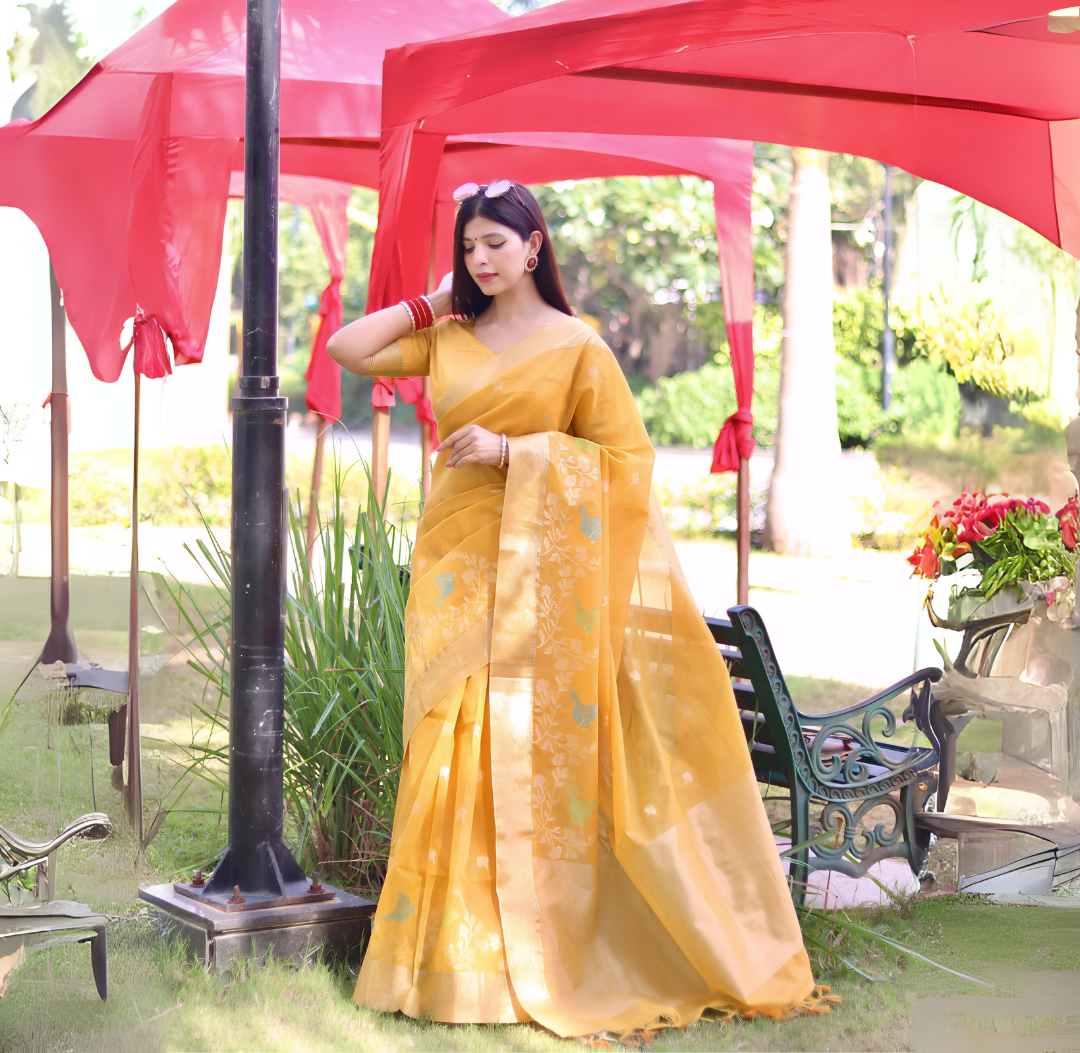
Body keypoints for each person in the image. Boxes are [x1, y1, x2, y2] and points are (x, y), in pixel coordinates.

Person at [327, 180, 828, 1038]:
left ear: (535, 247)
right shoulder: (447, 337)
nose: (483, 259)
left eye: (497, 244)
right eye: (471, 245)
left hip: (535, 582)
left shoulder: (576, 347)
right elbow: (349, 346)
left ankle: (527, 954)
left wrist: (516, 449)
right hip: (454, 569)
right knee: (450, 746)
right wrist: (433, 297)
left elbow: (627, 464)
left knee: (508, 742)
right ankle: (444, 960)